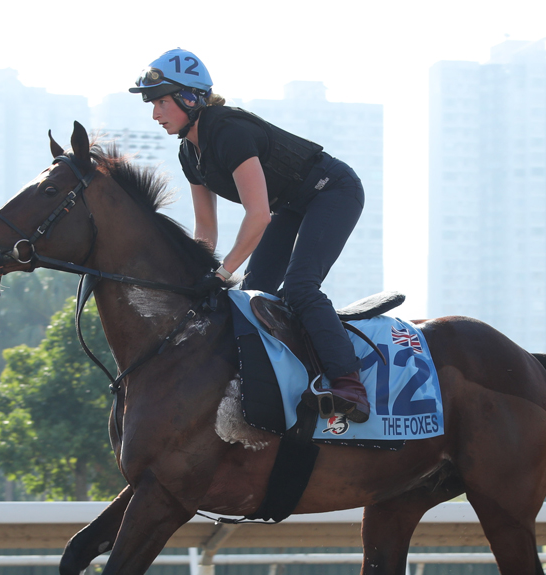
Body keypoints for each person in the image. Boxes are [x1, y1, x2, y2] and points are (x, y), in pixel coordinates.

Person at [130, 48, 370, 422]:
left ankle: (349, 385)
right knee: (253, 297)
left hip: (333, 191)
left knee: (300, 287)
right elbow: (206, 230)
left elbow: (257, 216)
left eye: (161, 102)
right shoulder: (189, 154)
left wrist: (222, 273)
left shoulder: (228, 132)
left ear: (190, 98)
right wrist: (196, 278)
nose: (155, 114)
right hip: (292, 204)